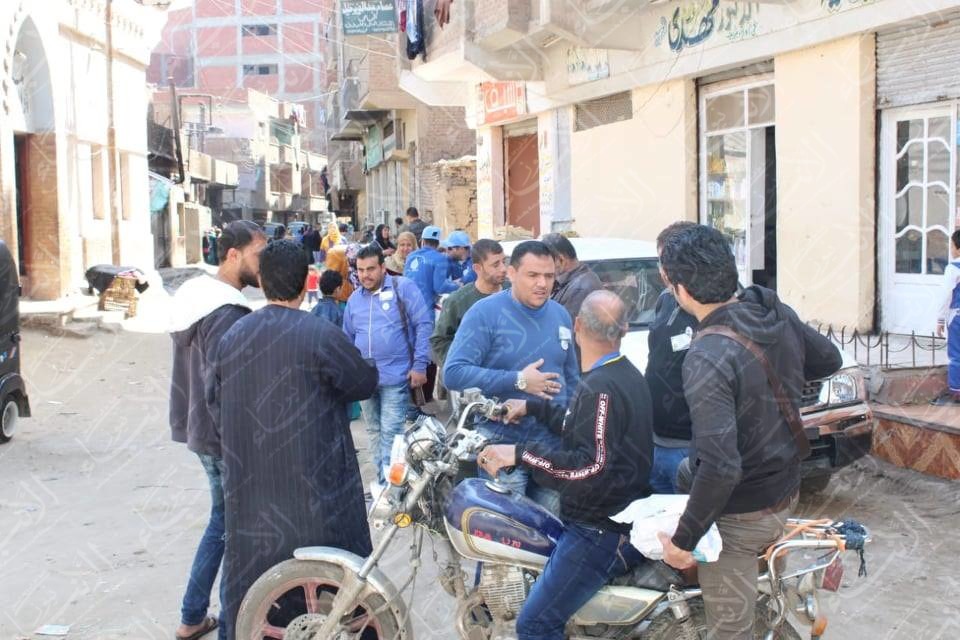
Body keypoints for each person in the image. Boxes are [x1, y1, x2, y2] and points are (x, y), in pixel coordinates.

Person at [656, 225, 842, 640]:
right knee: (686, 471)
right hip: (785, 487)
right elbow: (829, 359)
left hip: (744, 513)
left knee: (731, 632)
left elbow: (722, 468)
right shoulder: (770, 310)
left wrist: (683, 541)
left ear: (680, 289)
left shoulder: (707, 354)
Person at [208, 240, 379, 639]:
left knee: (252, 586)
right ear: (306, 283)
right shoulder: (321, 334)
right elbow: (362, 383)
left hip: (252, 493)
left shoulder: (233, 337)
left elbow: (213, 404)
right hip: (319, 493)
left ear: (262, 281)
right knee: (337, 579)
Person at [479, 290, 654, 640]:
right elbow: (586, 430)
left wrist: (520, 454)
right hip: (615, 515)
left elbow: (589, 467)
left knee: (534, 624)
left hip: (599, 528)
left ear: (577, 326)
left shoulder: (601, 388)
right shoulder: (624, 373)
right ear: (624, 329)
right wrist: (534, 407)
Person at [168, 220, 266, 640]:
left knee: (222, 523)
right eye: (259, 253)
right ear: (233, 254)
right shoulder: (225, 311)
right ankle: (226, 623)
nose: (264, 263)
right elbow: (220, 387)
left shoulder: (197, 296)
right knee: (232, 529)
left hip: (200, 430)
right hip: (221, 436)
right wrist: (239, 441)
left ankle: (193, 616)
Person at [444, 240, 580, 512]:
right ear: (511, 273)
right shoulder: (484, 314)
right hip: (500, 442)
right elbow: (454, 372)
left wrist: (575, 426)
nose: (542, 283)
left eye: (549, 276)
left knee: (550, 529)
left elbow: (572, 377)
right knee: (505, 530)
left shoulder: (560, 315)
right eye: (533, 275)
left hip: (551, 447)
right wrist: (518, 380)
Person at [343, 244, 434, 489]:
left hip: (396, 377)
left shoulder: (402, 288)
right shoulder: (354, 300)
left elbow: (424, 324)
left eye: (371, 269)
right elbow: (347, 339)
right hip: (365, 381)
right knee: (374, 432)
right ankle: (385, 484)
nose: (365, 275)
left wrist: (420, 365)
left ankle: (391, 491)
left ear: (383, 268)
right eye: (361, 270)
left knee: (391, 434)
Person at [646, 221, 698, 493]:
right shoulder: (665, 300)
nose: (663, 270)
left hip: (689, 449)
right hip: (656, 442)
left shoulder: (709, 308)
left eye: (669, 260)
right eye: (661, 260)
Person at [430, 239, 507, 369]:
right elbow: (439, 340)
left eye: (504, 262)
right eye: (496, 265)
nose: (503, 269)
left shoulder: (516, 293)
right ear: (477, 268)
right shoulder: (458, 301)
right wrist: (461, 366)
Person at [541, 233, 603, 320]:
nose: (545, 269)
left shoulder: (581, 289)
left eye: (547, 263)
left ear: (561, 260)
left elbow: (564, 325)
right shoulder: (570, 281)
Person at [404, 225, 459, 309]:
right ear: (438, 243)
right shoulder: (440, 258)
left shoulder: (410, 256)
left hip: (407, 304)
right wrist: (458, 286)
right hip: (425, 307)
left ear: (422, 241)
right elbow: (440, 287)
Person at [934, 229, 960, 405]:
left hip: (957, 317)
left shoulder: (953, 269)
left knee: (956, 354)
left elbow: (945, 296)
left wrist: (940, 319)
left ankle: (957, 392)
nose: (950, 249)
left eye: (951, 245)